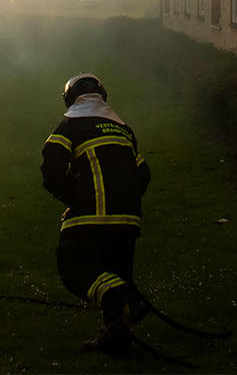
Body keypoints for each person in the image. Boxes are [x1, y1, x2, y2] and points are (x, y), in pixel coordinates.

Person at [40, 72, 152, 355]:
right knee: (115, 275)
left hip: (91, 216)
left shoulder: (71, 124)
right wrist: (125, 200)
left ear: (70, 98)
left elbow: (51, 168)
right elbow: (143, 173)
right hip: (128, 220)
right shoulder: (123, 129)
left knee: (74, 269)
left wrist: (74, 200)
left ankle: (126, 300)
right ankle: (116, 342)